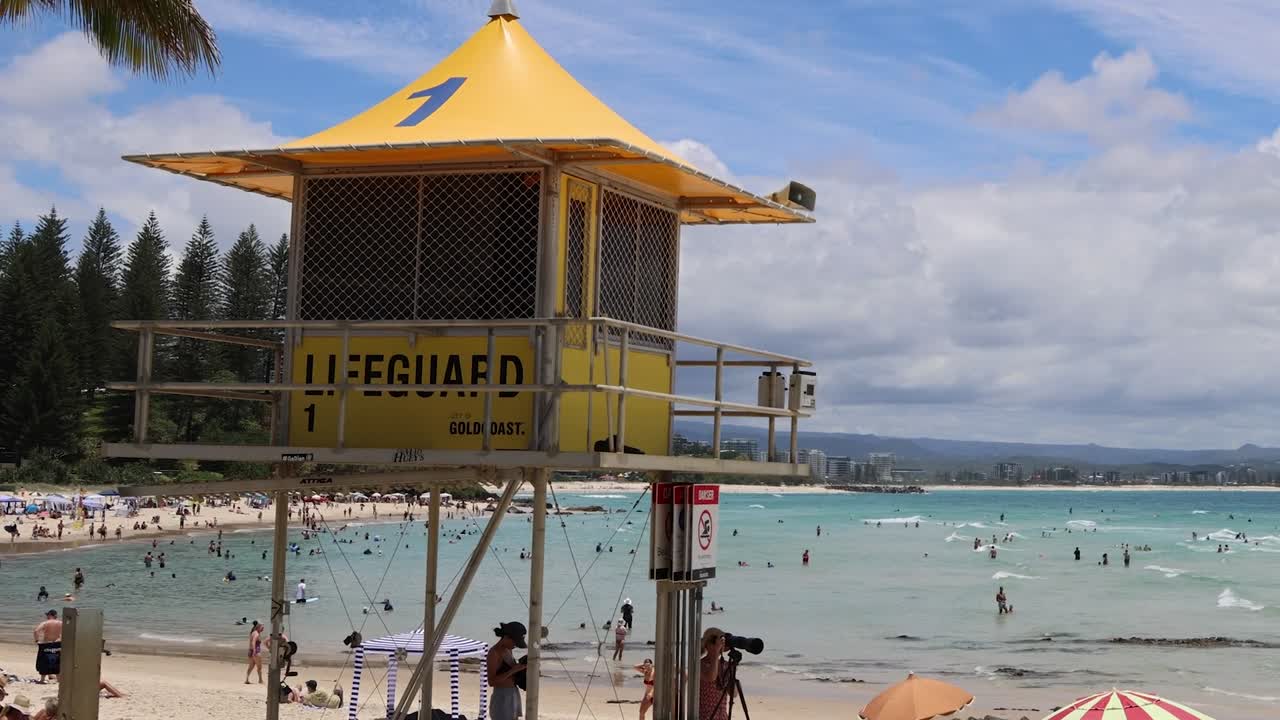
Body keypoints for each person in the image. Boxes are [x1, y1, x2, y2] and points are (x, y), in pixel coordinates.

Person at [487, 621, 528, 720]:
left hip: (513, 693)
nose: (515, 646)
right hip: (502, 696)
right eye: (515, 642)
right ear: (506, 637)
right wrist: (513, 670)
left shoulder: (509, 649)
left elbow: (512, 672)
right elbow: (491, 681)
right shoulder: (494, 653)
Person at [699, 627, 730, 720]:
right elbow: (711, 677)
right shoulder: (699, 664)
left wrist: (731, 673)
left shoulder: (725, 665)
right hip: (706, 715)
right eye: (714, 642)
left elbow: (734, 693)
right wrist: (716, 653)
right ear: (706, 645)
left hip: (722, 715)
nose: (718, 645)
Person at [33, 610, 62, 683]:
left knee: (44, 661)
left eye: (47, 615)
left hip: (46, 644)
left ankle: (42, 679)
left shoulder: (45, 623)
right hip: (57, 644)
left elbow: (36, 631)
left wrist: (37, 640)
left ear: (51, 615)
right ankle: (58, 679)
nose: (46, 617)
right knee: (57, 661)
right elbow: (68, 631)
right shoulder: (61, 623)